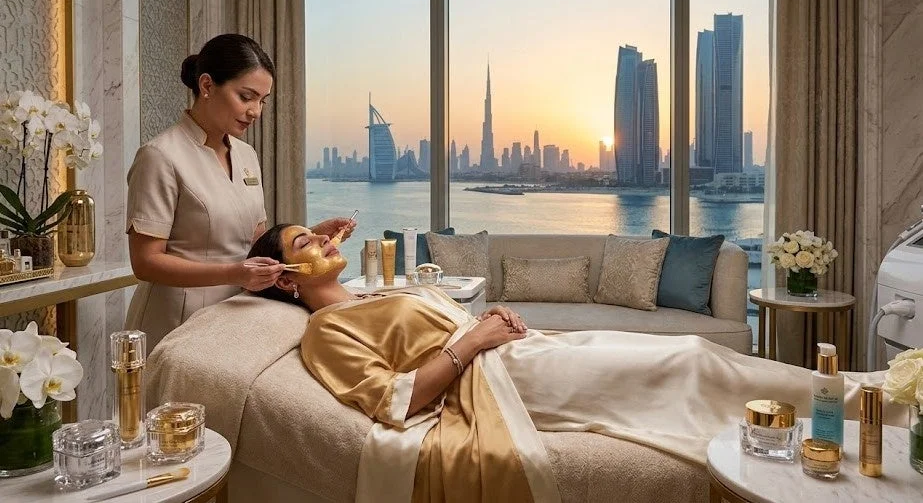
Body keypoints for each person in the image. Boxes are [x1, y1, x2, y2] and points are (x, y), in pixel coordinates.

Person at [250, 224, 902, 503]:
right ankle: (872, 404)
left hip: (522, 352)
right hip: (499, 379)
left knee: (692, 355)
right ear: (283, 277)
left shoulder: (370, 294)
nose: (322, 238)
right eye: (305, 240)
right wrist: (474, 341)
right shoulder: (326, 332)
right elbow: (396, 400)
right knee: (689, 362)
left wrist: (490, 322)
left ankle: (864, 397)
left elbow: (437, 324)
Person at [125, 34, 354, 351]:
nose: (255, 111)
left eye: (262, 101)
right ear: (207, 86)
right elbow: (146, 263)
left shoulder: (246, 155)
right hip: (177, 322)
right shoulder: (160, 156)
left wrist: (314, 237)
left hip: (236, 317)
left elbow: (254, 243)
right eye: (246, 97)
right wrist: (235, 274)